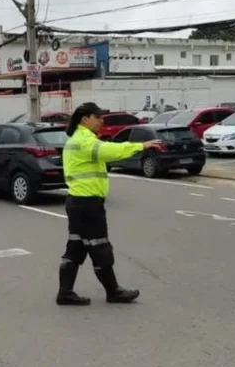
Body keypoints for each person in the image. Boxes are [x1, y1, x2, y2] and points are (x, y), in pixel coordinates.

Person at [57, 102, 163, 306]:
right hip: (87, 203)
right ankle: (113, 291)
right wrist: (141, 145)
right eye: (97, 117)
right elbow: (110, 151)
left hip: (77, 202)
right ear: (84, 119)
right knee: (100, 247)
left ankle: (65, 293)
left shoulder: (77, 139)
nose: (101, 120)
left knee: (76, 247)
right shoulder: (84, 141)